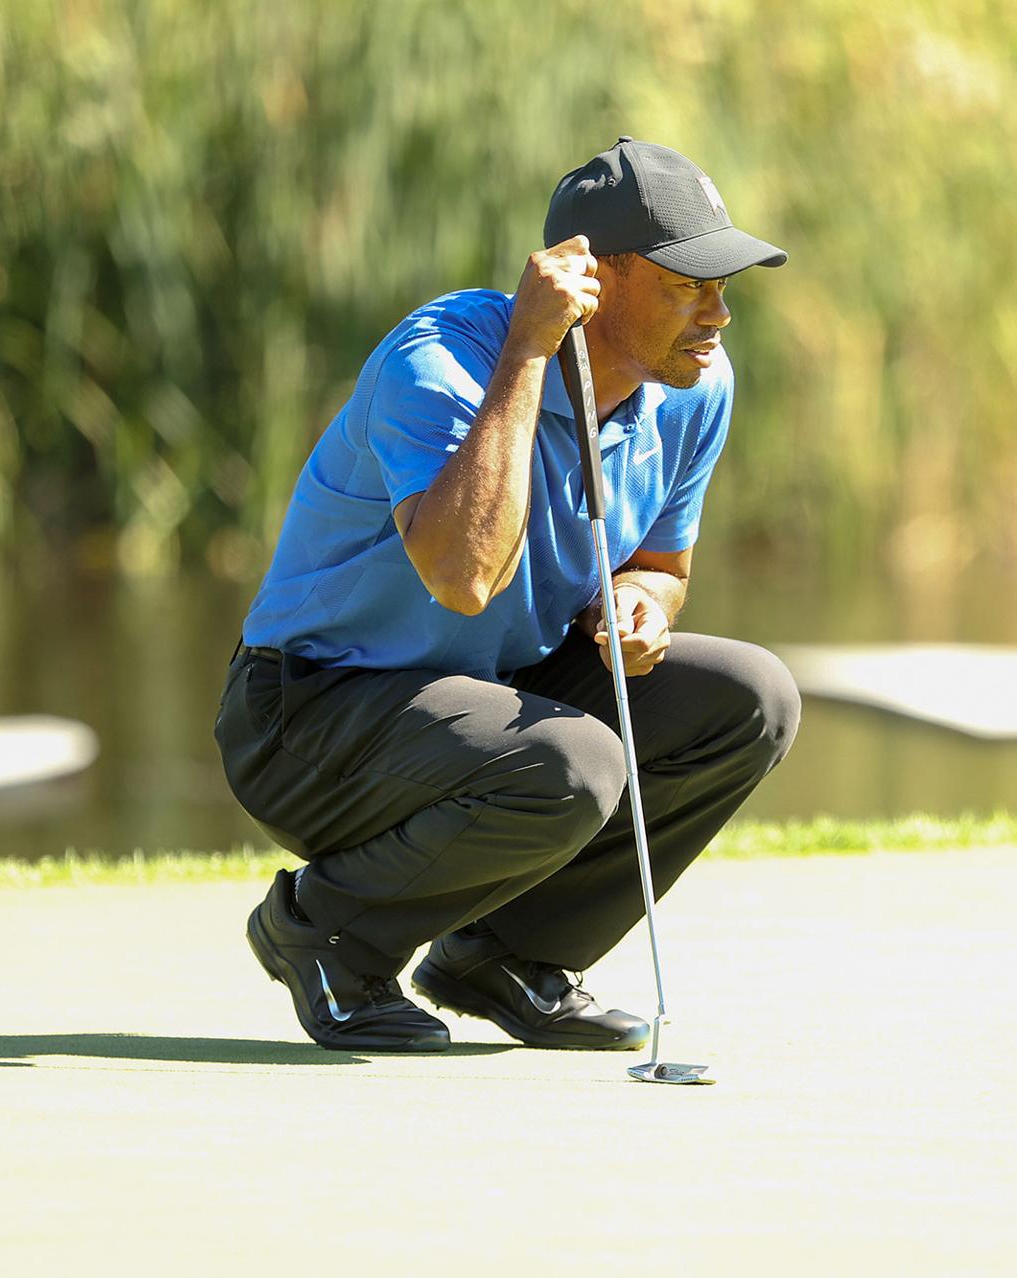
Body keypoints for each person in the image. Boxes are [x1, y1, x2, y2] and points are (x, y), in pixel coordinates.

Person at [213, 138, 801, 1053]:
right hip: (304, 712)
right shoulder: (443, 357)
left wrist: (642, 604)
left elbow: (662, 565)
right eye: (689, 284)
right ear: (593, 280)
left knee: (749, 699)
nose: (719, 314)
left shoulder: (695, 386)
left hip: (493, 698)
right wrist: (531, 348)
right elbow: (463, 576)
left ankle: (508, 957)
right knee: (573, 763)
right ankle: (329, 933)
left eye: (724, 286)